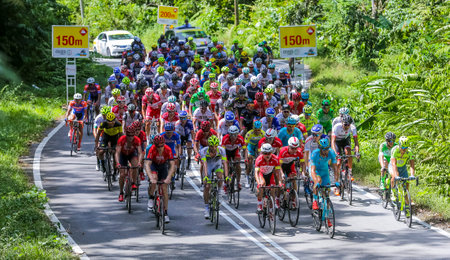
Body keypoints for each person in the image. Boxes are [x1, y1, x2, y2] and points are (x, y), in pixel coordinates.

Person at [145, 135, 176, 224]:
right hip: (154, 165)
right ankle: (151, 197)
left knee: (164, 189)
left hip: (163, 166)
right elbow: (147, 164)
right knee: (154, 180)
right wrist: (151, 178)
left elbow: (172, 165)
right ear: (155, 145)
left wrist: (169, 177)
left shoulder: (167, 149)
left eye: (161, 146)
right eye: (158, 146)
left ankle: (165, 213)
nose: (160, 148)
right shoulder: (152, 149)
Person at [310, 138, 339, 227]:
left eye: (327, 149)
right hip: (317, 172)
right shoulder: (315, 154)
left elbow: (335, 169)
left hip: (325, 173)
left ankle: (327, 218)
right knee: (318, 181)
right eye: (323, 149)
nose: (326, 151)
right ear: (320, 148)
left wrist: (336, 181)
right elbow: (312, 170)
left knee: (326, 195)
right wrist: (316, 181)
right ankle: (315, 200)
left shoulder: (331, 153)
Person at [201, 135, 229, 218]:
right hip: (208, 165)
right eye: (211, 146)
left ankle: (219, 192)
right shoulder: (204, 151)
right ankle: (206, 208)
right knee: (207, 186)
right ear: (208, 145)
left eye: (215, 146)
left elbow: (224, 163)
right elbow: (205, 164)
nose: (213, 148)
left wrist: (226, 176)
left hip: (217, 164)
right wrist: (206, 176)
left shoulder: (221, 150)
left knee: (220, 177)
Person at [331, 114, 360, 196]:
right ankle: (336, 185)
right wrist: (335, 153)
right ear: (342, 122)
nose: (346, 126)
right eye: (345, 124)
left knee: (348, 152)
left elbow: (356, 143)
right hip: (337, 142)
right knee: (338, 162)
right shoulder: (337, 127)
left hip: (345, 140)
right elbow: (332, 142)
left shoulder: (352, 128)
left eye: (348, 125)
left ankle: (350, 172)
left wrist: (357, 152)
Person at [115, 125, 144, 202]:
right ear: (126, 135)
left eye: (132, 135)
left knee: (135, 165)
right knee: (122, 174)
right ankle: (121, 192)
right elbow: (117, 152)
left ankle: (134, 182)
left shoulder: (137, 140)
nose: (130, 137)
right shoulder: (122, 139)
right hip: (123, 154)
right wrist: (117, 163)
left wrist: (139, 163)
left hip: (132, 154)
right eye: (129, 135)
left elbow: (140, 153)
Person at [255, 143, 282, 211]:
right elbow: (256, 173)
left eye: (269, 153)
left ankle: (271, 206)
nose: (268, 155)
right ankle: (260, 203)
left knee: (273, 188)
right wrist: (258, 183)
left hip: (270, 174)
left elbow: (278, 172)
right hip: (262, 174)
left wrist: (280, 182)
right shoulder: (259, 159)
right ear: (262, 153)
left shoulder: (275, 159)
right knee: (262, 184)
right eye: (265, 153)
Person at [389, 136, 415, 205]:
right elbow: (394, 164)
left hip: (403, 167)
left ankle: (407, 201)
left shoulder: (409, 152)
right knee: (394, 177)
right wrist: (397, 175)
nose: (404, 150)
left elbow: (412, 165)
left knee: (406, 183)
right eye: (403, 148)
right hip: (393, 166)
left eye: (406, 148)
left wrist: (412, 175)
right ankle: (393, 193)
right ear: (399, 146)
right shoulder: (395, 150)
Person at [221, 125, 246, 190]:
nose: (233, 137)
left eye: (235, 135)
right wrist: (224, 160)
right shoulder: (225, 138)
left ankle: (238, 182)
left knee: (238, 165)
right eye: (231, 135)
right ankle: (225, 183)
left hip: (235, 151)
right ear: (229, 134)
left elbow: (245, 149)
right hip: (226, 152)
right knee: (226, 165)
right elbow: (222, 151)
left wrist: (246, 158)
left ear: (237, 134)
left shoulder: (240, 138)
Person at [245, 121, 266, 188]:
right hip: (251, 146)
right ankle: (247, 177)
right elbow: (245, 146)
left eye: (258, 130)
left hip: (259, 146)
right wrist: (246, 156)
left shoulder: (263, 133)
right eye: (255, 130)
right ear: (253, 129)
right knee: (250, 160)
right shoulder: (249, 134)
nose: (257, 131)